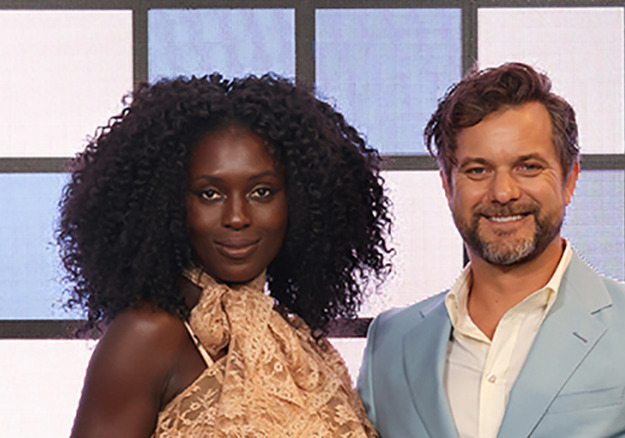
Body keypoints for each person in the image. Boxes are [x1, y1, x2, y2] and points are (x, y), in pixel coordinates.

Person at [357, 62, 625, 437]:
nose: (503, 192)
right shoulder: (391, 342)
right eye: (477, 171)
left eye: (529, 167)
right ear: (447, 186)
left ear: (570, 180)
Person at [59, 73, 391, 437]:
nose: (237, 217)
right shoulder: (147, 335)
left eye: (262, 192)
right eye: (209, 194)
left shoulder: (297, 341)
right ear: (167, 203)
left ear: (299, 200)